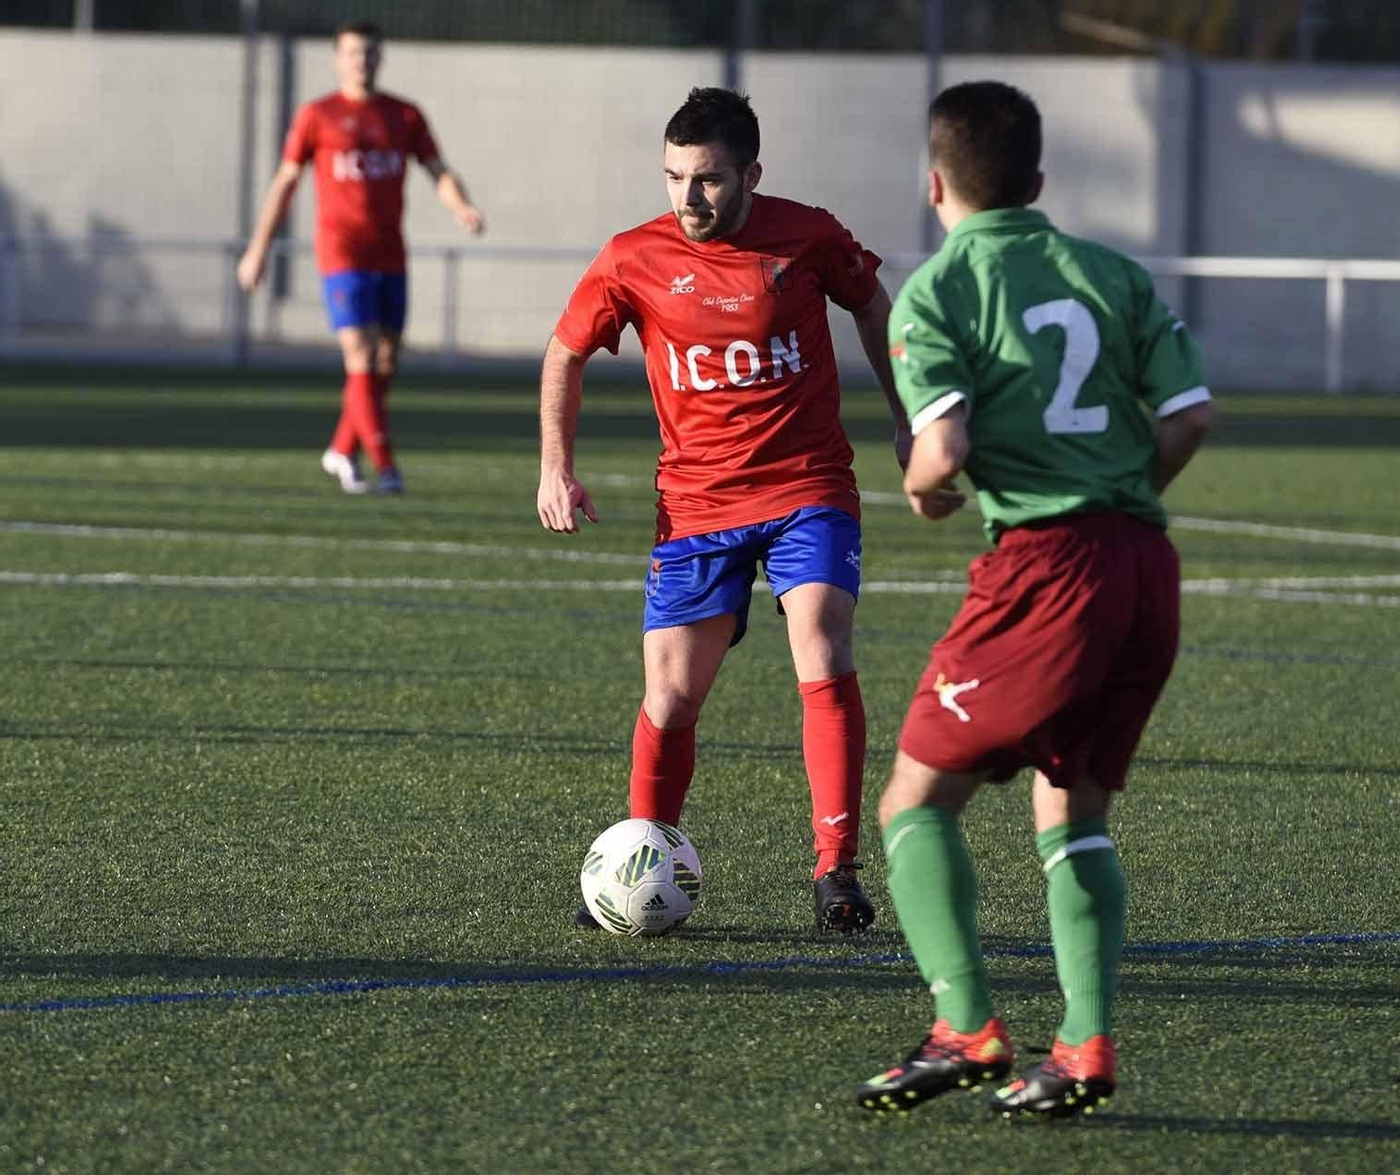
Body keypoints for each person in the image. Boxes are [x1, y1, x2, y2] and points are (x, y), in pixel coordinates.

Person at [855, 80, 1213, 1117]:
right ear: (1038, 181)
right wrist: (1121, 490)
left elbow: (943, 450)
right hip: (1145, 564)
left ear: (935, 185)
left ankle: (965, 1023)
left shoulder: (939, 288)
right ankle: (1084, 1046)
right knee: (1073, 810)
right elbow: (1188, 417)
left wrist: (925, 491)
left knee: (914, 800)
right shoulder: (1109, 272)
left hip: (1045, 572)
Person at [538, 87, 911, 934]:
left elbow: (872, 306)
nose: (688, 197)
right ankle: (643, 852)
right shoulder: (633, 257)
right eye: (674, 178)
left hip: (807, 486)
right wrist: (555, 468)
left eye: (706, 179)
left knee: (821, 640)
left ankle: (836, 871)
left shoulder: (809, 234)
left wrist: (905, 414)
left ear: (751, 173)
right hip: (697, 503)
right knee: (669, 696)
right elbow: (565, 352)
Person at [236, 19, 485, 496]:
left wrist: (462, 208)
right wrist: (258, 248)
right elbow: (285, 182)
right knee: (362, 353)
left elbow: (438, 170)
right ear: (337, 58)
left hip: (390, 253)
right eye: (352, 52)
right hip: (341, 252)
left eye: (369, 52)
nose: (361, 60)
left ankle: (342, 448)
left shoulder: (404, 116)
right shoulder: (318, 115)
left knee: (386, 361)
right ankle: (386, 465)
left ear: (380, 56)